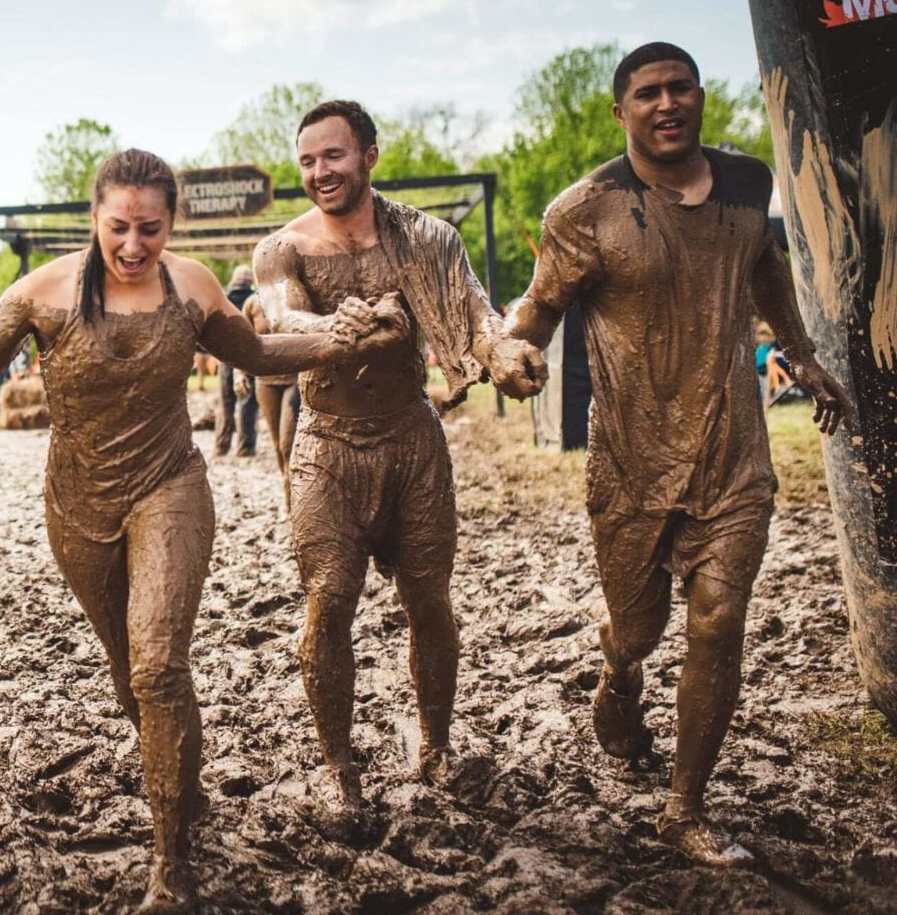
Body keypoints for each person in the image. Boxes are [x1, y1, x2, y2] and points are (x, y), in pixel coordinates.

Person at [0, 148, 396, 912]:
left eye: (149, 229)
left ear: (171, 224)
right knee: (133, 679)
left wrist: (339, 340)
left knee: (159, 666)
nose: (132, 245)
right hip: (78, 508)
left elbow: (256, 352)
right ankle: (184, 790)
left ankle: (172, 867)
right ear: (95, 217)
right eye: (118, 227)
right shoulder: (39, 294)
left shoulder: (188, 285)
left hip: (170, 488)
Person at [500, 43, 852, 866]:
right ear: (620, 110)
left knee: (719, 619)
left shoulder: (747, 184)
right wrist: (514, 354)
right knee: (640, 628)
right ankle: (618, 674)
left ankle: (684, 809)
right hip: (629, 466)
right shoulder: (583, 210)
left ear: (700, 97)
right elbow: (541, 307)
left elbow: (763, 268)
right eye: (648, 93)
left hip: (733, 456)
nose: (668, 104)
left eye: (681, 88)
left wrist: (799, 351)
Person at [252, 100, 546, 836]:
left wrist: (505, 353)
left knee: (429, 599)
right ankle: (336, 770)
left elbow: (475, 314)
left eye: (334, 156)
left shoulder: (426, 237)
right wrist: (336, 324)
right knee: (328, 603)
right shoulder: (281, 248)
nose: (320, 172)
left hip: (412, 440)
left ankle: (438, 748)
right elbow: (278, 316)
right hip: (327, 442)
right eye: (309, 161)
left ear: (370, 156)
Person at [243, 294, 301, 505]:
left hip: (293, 379)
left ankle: (293, 490)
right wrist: (241, 374)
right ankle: (287, 488)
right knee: (277, 444)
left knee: (288, 443)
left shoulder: (293, 299)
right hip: (265, 381)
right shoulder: (251, 303)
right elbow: (242, 342)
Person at [213, 265, 261, 458]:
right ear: (250, 280)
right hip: (248, 356)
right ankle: (245, 448)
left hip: (226, 355)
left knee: (225, 402)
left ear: (234, 280)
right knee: (247, 403)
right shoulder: (256, 300)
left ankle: (221, 446)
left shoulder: (223, 297)